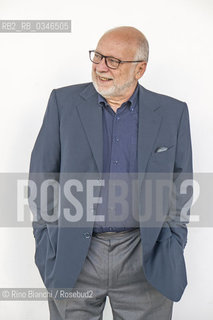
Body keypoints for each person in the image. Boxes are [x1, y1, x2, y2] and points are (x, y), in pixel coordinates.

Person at [29, 26, 193, 320]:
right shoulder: (62, 103)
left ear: (140, 69)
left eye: (113, 61)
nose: (101, 67)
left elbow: (181, 183)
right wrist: (47, 239)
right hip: (75, 257)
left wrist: (173, 239)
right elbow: (41, 177)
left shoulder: (172, 113)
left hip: (145, 258)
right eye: (98, 56)